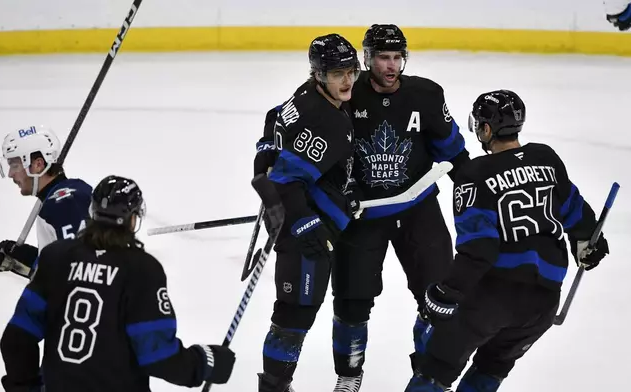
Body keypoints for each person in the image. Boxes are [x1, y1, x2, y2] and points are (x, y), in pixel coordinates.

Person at [404, 90, 610, 392]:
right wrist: (589, 244)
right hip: (543, 303)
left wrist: (448, 292)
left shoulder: (474, 174)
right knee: (493, 366)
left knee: (436, 368)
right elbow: (579, 217)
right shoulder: (547, 158)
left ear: (486, 129)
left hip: (492, 297)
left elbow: (479, 249)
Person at [329, 24, 470, 391]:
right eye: (382, 58)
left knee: (438, 297)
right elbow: (297, 118)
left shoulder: (425, 94)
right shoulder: (344, 91)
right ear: (367, 59)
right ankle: (349, 374)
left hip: (417, 209)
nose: (391, 66)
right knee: (352, 301)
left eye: (396, 58)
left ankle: (427, 373)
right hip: (363, 215)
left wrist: (481, 192)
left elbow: (454, 152)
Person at [0, 175, 236, 392]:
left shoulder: (55, 258)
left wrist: (26, 388)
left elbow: (16, 339)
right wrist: (206, 361)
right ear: (133, 220)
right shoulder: (141, 270)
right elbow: (159, 357)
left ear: (92, 212)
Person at [256, 33, 361, 392]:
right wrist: (304, 222)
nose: (347, 81)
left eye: (351, 71)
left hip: (308, 214)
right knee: (294, 312)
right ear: (319, 74)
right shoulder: (324, 120)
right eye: (337, 74)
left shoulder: (308, 93)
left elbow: (274, 119)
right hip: (304, 225)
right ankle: (273, 387)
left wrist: (265, 154)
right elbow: (287, 181)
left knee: (297, 309)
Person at [0, 125, 91, 279]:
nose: (10, 174)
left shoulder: (63, 204)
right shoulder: (71, 191)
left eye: (14, 165)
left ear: (38, 165)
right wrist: (26, 259)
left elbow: (81, 271)